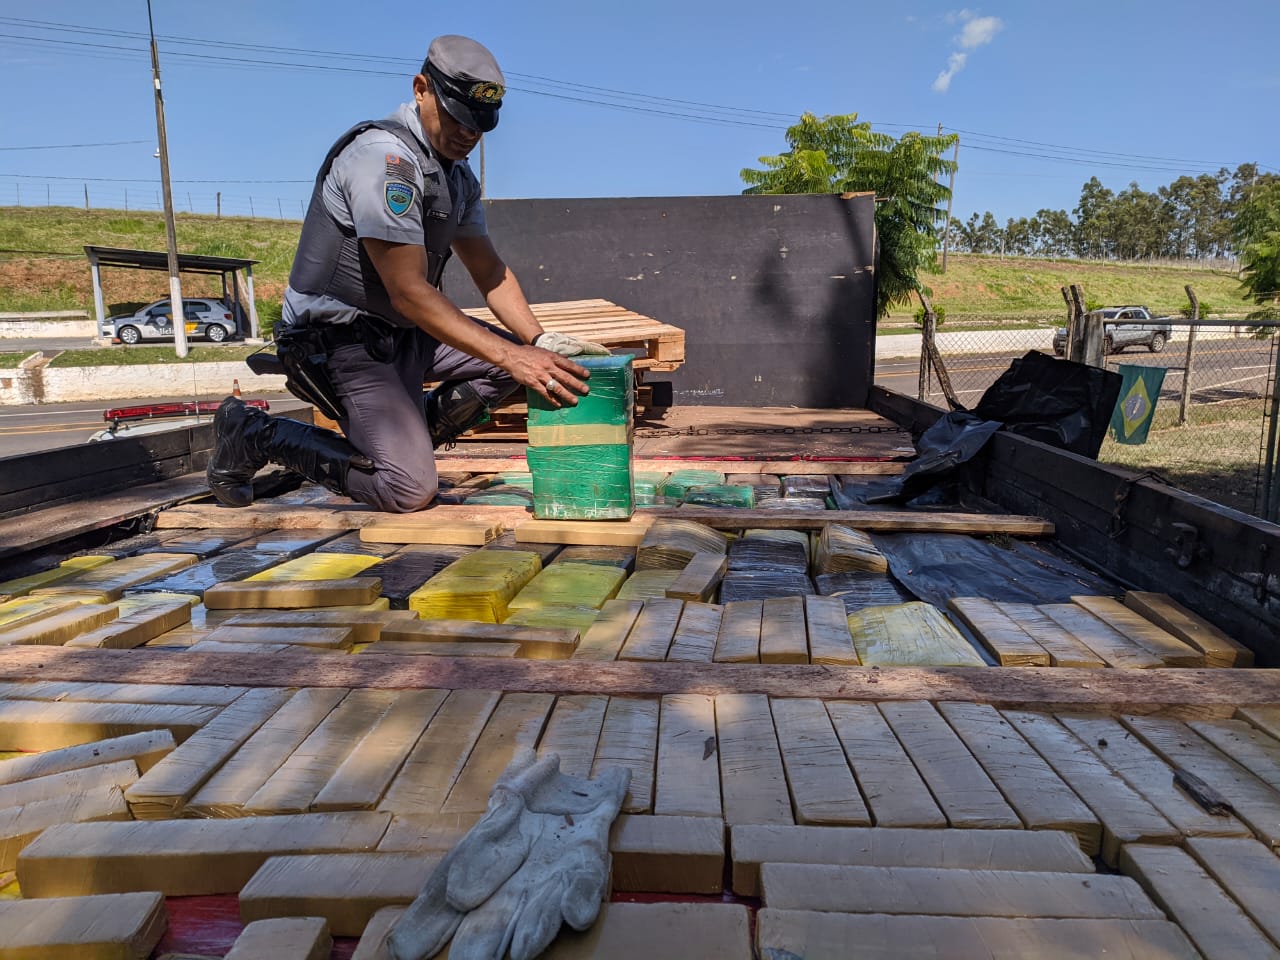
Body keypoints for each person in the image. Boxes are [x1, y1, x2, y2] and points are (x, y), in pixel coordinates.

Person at [208, 34, 607, 513]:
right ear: (421, 88)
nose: (468, 135)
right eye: (458, 119)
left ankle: (402, 438)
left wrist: (538, 345)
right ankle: (254, 433)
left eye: (478, 127)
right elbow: (408, 291)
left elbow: (490, 270)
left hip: (404, 335)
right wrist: (513, 355)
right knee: (409, 490)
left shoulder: (457, 177)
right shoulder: (384, 160)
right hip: (342, 339)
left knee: (533, 370)